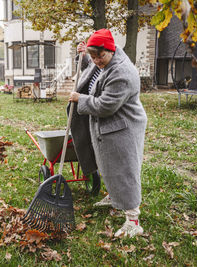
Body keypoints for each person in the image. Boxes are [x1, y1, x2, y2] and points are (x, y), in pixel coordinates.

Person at [68, 29, 147, 238]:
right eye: (93, 57)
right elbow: (93, 75)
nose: (96, 61)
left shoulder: (122, 73)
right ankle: (114, 196)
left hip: (124, 127)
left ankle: (133, 220)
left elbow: (105, 106)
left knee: (124, 170)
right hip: (110, 127)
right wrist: (85, 56)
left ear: (111, 50)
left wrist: (80, 99)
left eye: (99, 56)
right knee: (108, 166)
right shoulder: (106, 61)